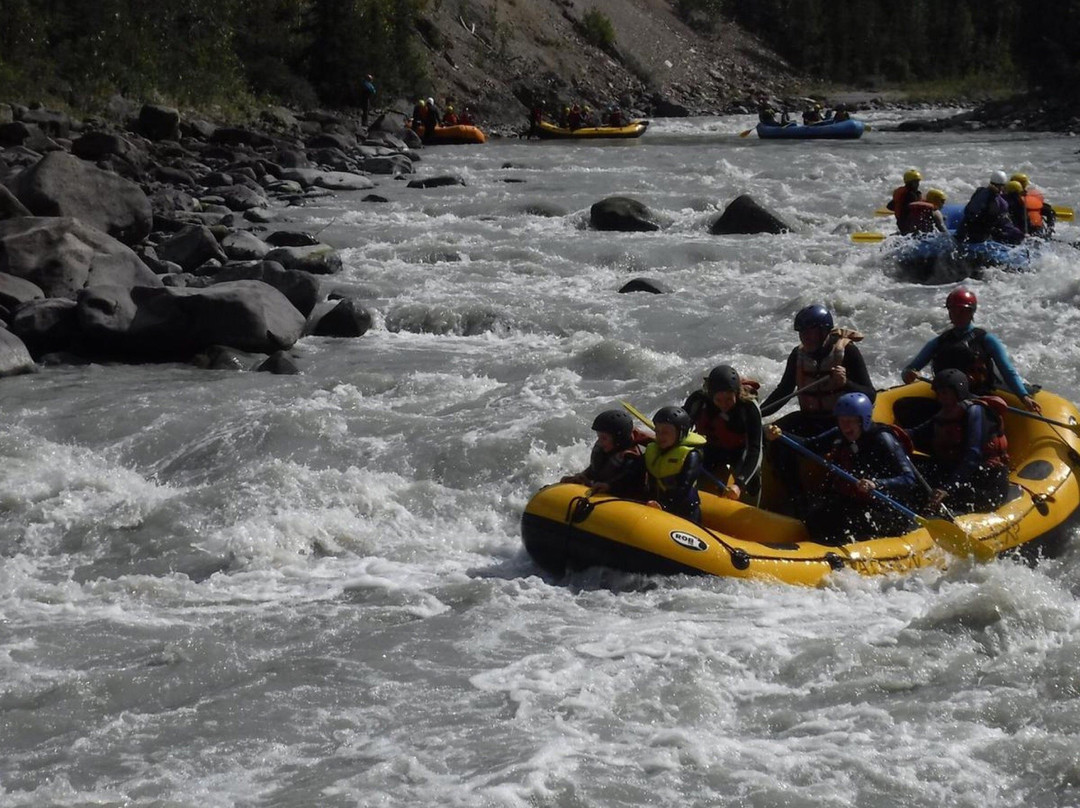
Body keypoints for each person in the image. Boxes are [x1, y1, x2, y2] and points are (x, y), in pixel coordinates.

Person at [761, 304, 876, 515]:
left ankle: (822, 500)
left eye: (810, 331)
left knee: (795, 443)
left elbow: (869, 394)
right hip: (809, 418)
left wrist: (846, 383)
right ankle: (796, 497)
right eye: (801, 332)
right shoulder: (798, 355)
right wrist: (759, 413)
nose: (805, 337)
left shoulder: (847, 352)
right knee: (771, 435)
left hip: (838, 423)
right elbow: (784, 390)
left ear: (824, 331)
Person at [765, 393, 918, 545]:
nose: (845, 426)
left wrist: (876, 484)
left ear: (862, 421)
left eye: (850, 421)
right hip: (854, 502)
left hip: (885, 507)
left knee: (846, 524)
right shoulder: (840, 434)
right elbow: (809, 446)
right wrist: (780, 435)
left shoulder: (883, 439)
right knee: (815, 519)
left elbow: (908, 479)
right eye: (842, 421)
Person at [900, 287, 1041, 411]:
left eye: (963, 311)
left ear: (972, 312)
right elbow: (910, 370)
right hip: (946, 403)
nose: (958, 314)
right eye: (954, 310)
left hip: (978, 400)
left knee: (973, 414)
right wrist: (909, 374)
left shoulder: (986, 340)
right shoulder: (939, 342)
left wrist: (1024, 396)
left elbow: (1008, 372)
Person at [905, 369, 1010, 514]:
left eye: (945, 393)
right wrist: (886, 431)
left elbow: (973, 456)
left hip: (986, 481)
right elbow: (914, 433)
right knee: (914, 474)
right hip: (958, 473)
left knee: (936, 496)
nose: (941, 398)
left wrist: (947, 488)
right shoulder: (945, 414)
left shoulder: (976, 412)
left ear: (958, 393)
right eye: (939, 393)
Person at [682, 365, 763, 504]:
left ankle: (750, 512)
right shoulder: (699, 401)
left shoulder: (749, 406)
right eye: (718, 400)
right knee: (690, 469)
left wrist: (739, 484)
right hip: (711, 449)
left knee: (753, 480)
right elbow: (681, 429)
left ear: (737, 394)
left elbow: (755, 449)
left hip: (739, 451)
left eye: (729, 400)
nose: (724, 405)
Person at [561, 410, 646, 498]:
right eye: (599, 437)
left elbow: (629, 486)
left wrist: (610, 487)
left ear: (619, 439)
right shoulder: (605, 451)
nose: (600, 442)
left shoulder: (633, 460)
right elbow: (595, 471)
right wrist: (582, 476)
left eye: (604, 438)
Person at [643, 406, 703, 524]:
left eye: (665, 432)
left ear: (680, 433)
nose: (660, 436)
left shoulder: (691, 455)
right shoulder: (652, 450)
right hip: (656, 504)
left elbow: (683, 487)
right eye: (657, 431)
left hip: (684, 511)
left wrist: (665, 505)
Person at [955, 170, 1024, 245]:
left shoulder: (979, 191)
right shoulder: (1001, 203)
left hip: (963, 232)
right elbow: (1005, 224)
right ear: (1003, 186)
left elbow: (968, 212)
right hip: (979, 237)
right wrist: (1020, 234)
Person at [1010, 172, 1056, 237]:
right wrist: (1050, 230)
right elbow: (1050, 211)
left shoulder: (1010, 200)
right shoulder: (1032, 197)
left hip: (1021, 232)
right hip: (1037, 231)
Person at [887, 169, 923, 235]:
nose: (918, 184)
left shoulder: (905, 193)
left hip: (901, 223)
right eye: (916, 182)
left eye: (918, 182)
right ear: (909, 183)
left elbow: (889, 206)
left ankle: (901, 233)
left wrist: (898, 207)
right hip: (908, 224)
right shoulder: (910, 195)